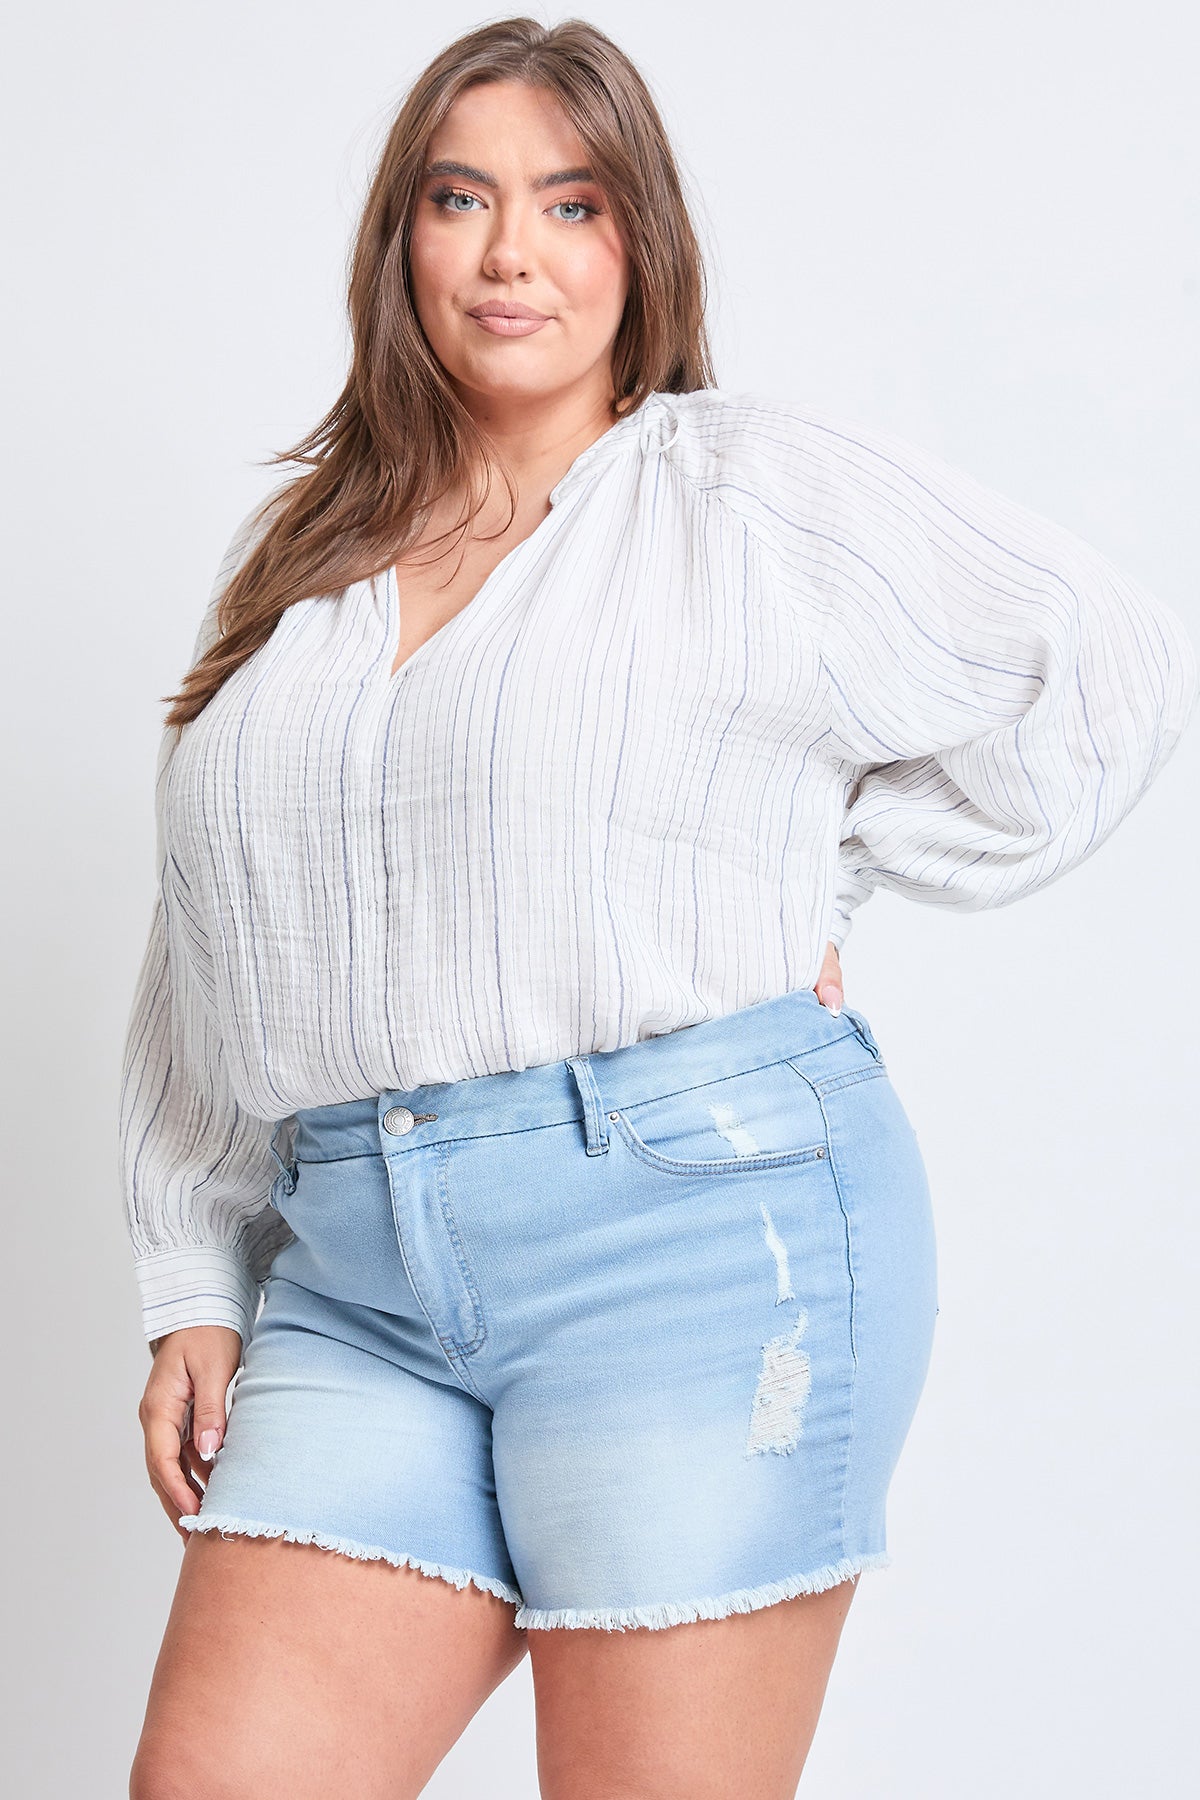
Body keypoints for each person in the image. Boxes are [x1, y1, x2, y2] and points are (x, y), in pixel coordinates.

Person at [120, 17, 1198, 1800]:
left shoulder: (740, 491)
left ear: (644, 246)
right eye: (459, 199)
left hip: (697, 1243)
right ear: (401, 240)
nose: (510, 253)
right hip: (358, 1274)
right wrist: (190, 1272)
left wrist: (826, 865)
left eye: (571, 204)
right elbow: (212, 924)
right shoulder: (306, 558)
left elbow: (1110, 668)